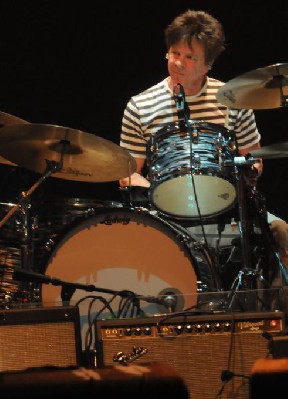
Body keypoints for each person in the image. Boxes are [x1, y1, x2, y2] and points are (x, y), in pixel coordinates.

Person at [118, 10, 288, 296]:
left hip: (226, 205)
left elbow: (253, 158)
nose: (178, 63)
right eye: (174, 53)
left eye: (189, 57)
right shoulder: (140, 105)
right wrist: (159, 192)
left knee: (282, 232)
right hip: (163, 212)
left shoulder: (235, 100)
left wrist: (246, 173)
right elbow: (127, 173)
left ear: (207, 65)